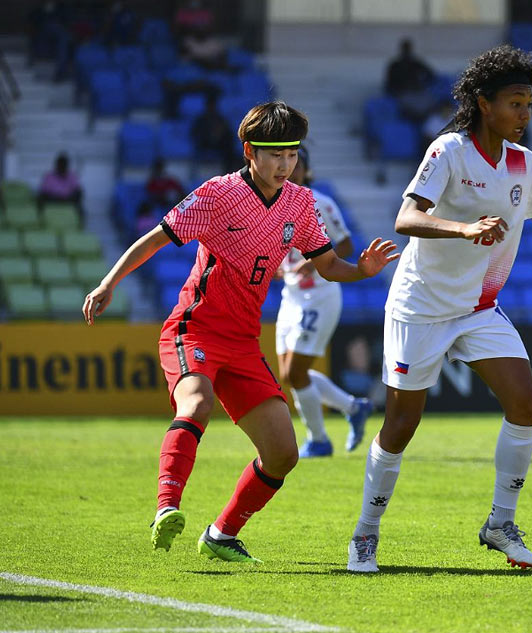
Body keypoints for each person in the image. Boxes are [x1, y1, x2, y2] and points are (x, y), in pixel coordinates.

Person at [346, 45, 532, 573]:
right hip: (422, 306)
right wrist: (464, 228)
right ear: (484, 104)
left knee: (525, 403)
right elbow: (407, 217)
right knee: (401, 424)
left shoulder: (525, 163)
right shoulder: (449, 150)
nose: (525, 115)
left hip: (479, 306)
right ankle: (366, 533)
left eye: (528, 104)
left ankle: (500, 523)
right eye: (515, 104)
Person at [82, 101, 399, 563]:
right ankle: (166, 507)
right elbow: (155, 238)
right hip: (195, 330)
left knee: (283, 454)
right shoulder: (216, 195)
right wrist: (109, 283)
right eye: (274, 154)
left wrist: (363, 270)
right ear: (249, 151)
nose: (284, 164)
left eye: (291, 155)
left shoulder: (300, 202)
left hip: (244, 343)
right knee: (197, 402)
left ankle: (221, 534)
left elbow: (328, 266)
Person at [275, 145, 374, 458]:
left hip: (320, 294)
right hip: (290, 294)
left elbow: (345, 244)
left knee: (296, 372)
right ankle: (353, 406)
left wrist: (316, 260)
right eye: (284, 161)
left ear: (306, 169)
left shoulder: (321, 203)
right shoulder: (271, 204)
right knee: (289, 374)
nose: (290, 168)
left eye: (296, 162)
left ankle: (318, 440)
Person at [384, 38, 437, 122]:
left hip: (418, 92)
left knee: (430, 104)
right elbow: (388, 84)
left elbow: (431, 75)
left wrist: (423, 84)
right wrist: (396, 91)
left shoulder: (415, 63)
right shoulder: (395, 65)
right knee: (413, 108)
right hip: (403, 93)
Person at [190, 93, 234, 173]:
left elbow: (229, 136)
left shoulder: (221, 120)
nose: (211, 108)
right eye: (209, 105)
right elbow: (194, 135)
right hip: (204, 146)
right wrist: (210, 136)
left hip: (220, 148)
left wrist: (218, 135)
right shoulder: (200, 120)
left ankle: (227, 172)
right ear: (206, 106)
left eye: (213, 105)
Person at [38, 152, 84, 226]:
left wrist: (68, 197)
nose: (62, 166)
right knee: (41, 198)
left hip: (68, 200)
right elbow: (44, 192)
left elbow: (78, 190)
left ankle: (79, 227)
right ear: (56, 165)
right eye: (60, 164)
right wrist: (56, 197)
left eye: (64, 164)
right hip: (53, 200)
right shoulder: (49, 176)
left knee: (80, 200)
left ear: (67, 165)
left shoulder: (72, 176)